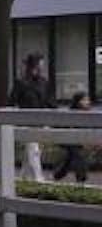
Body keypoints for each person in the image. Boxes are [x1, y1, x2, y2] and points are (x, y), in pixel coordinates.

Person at [10, 53, 56, 182]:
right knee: (33, 148)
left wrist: (53, 116)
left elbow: (50, 101)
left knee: (31, 148)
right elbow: (12, 100)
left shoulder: (43, 82)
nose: (42, 66)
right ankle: (38, 178)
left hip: (40, 119)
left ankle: (23, 177)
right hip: (25, 120)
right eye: (40, 63)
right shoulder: (21, 82)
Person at [53, 92, 91, 183]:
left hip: (76, 139)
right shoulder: (73, 112)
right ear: (78, 101)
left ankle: (59, 174)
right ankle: (81, 178)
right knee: (78, 156)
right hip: (68, 138)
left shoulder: (88, 112)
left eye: (88, 100)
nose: (88, 102)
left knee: (70, 158)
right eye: (84, 100)